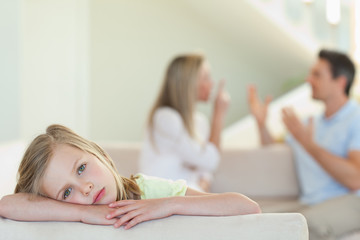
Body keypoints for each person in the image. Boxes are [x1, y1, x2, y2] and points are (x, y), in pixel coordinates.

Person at [0, 124, 260, 229]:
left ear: (99, 154)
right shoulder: (69, 214)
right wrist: (82, 213)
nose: (86, 188)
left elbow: (248, 208)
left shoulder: (146, 190)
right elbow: (7, 205)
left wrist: (168, 204)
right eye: (67, 192)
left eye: (81, 168)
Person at [248, 49, 360, 240]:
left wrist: (309, 145)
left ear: (340, 82)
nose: (308, 80)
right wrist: (261, 124)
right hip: (311, 203)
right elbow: (272, 146)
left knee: (299, 229)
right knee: (256, 217)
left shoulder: (355, 119)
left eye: (317, 75)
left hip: (351, 201)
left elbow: (356, 179)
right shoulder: (310, 123)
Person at [139, 54, 230, 192]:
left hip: (187, 193)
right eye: (205, 78)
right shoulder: (165, 118)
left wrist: (202, 180)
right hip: (160, 194)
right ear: (188, 83)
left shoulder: (200, 121)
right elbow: (210, 161)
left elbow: (206, 167)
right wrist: (218, 115)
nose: (211, 83)